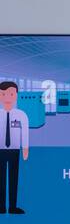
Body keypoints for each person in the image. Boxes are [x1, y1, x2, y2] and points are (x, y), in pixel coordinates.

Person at [0, 81, 29, 214]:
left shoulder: (21, 115)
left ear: (16, 95)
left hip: (14, 150)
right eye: (3, 94)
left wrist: (25, 148)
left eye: (11, 94)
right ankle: (1, 206)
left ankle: (12, 207)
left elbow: (25, 132)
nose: (7, 97)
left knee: (13, 177)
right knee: (0, 178)